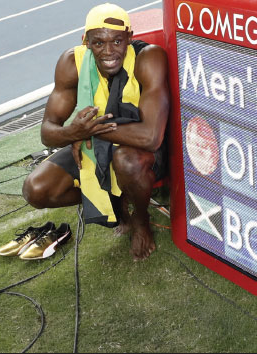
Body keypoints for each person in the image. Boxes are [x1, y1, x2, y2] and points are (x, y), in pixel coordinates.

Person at [22, 3, 169, 260]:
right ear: (85, 41)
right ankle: (117, 206)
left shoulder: (149, 57)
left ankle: (141, 219)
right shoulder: (72, 62)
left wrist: (85, 133)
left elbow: (151, 137)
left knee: (126, 161)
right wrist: (74, 134)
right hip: (98, 141)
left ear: (130, 38)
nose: (109, 51)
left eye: (117, 41)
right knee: (36, 189)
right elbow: (48, 132)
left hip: (140, 150)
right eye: (99, 43)